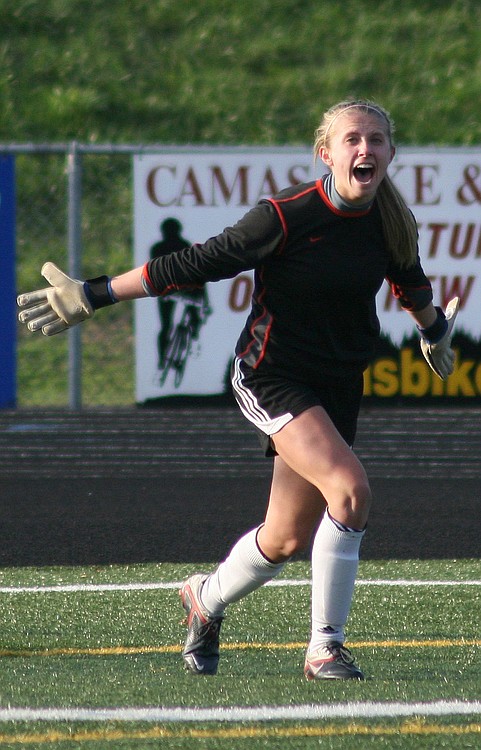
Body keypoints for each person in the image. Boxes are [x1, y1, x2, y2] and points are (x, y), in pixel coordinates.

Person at [17, 99, 459, 681]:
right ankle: (325, 648)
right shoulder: (285, 215)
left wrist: (433, 333)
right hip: (273, 376)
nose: (365, 150)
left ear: (391, 154)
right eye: (352, 139)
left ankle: (204, 598)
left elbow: (409, 279)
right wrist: (94, 294)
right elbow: (193, 263)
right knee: (350, 492)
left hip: (336, 384)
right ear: (325, 153)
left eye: (376, 140)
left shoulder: (391, 220)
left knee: (283, 538)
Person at [150, 218, 210, 369]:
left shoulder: (160, 247)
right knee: (168, 325)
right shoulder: (181, 246)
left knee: (166, 326)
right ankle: (164, 357)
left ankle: (164, 358)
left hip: (169, 292)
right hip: (175, 291)